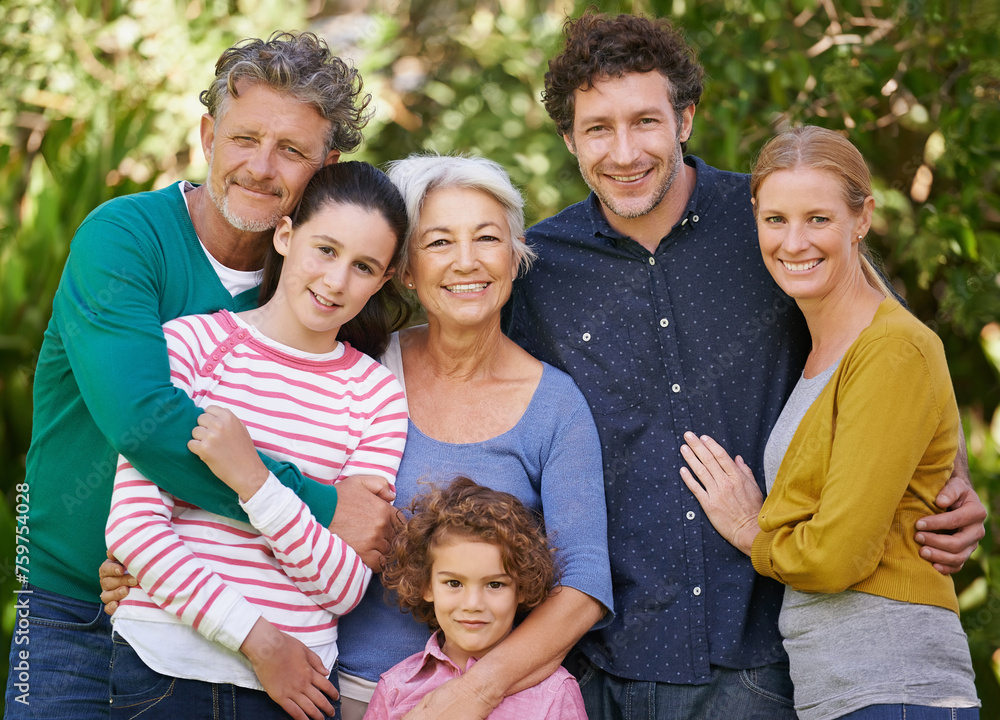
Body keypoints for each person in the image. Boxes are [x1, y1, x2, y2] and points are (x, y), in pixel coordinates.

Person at [505, 12, 986, 720]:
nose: (625, 151)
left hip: (769, 659)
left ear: (685, 119)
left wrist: (950, 484)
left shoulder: (774, 224)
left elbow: (890, 347)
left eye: (646, 121)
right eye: (598, 128)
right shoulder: (538, 272)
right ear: (570, 139)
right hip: (606, 661)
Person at [102, 154, 614, 720]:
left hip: (483, 702)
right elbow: (165, 507)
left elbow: (583, 583)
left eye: (487, 238)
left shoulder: (555, 405)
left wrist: (471, 694)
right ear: (408, 271)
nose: (466, 261)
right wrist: (152, 573)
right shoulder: (373, 368)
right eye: (440, 241)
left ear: (516, 256)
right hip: (332, 689)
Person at [9, 32, 398, 720]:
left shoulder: (313, 295)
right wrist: (324, 505)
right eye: (245, 138)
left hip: (213, 632)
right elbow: (145, 420)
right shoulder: (123, 238)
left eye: (292, 151)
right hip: (71, 601)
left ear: (328, 167)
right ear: (208, 133)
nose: (260, 167)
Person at [678, 126, 979, 720]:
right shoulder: (821, 350)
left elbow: (836, 557)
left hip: (896, 687)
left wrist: (749, 529)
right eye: (775, 220)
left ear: (861, 218)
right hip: (841, 693)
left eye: (818, 218)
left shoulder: (891, 349)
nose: (793, 242)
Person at [104, 161, 410, 720]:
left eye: (363, 266)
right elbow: (134, 528)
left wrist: (253, 479)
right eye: (325, 249)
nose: (337, 281)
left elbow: (342, 585)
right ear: (286, 235)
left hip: (298, 694)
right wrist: (260, 644)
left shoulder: (377, 396)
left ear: (385, 279)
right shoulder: (192, 345)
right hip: (164, 668)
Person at [364, 477, 588, 719]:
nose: (472, 604)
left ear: (521, 588)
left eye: (494, 584)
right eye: (454, 583)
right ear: (426, 586)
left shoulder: (554, 693)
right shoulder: (395, 688)